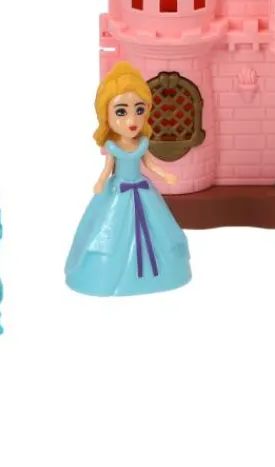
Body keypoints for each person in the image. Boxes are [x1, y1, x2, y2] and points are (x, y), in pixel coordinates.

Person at [65, 63, 192, 296]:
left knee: (157, 229)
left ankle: (157, 274)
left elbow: (150, 164)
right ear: (106, 115)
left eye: (139, 110)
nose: (132, 119)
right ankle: (113, 274)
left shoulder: (142, 143)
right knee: (114, 233)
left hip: (143, 190)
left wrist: (165, 174)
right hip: (119, 192)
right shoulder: (113, 146)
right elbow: (107, 169)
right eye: (121, 112)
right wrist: (101, 182)